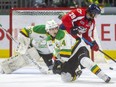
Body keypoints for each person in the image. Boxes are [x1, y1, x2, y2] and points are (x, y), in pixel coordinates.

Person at [46, 20, 111, 83]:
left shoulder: (62, 35)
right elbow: (55, 52)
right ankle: (77, 71)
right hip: (70, 57)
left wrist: (60, 64)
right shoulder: (48, 40)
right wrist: (56, 61)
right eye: (51, 29)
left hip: (78, 48)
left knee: (85, 61)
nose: (54, 30)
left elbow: (66, 56)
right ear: (47, 30)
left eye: (55, 28)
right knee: (66, 78)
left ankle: (103, 76)